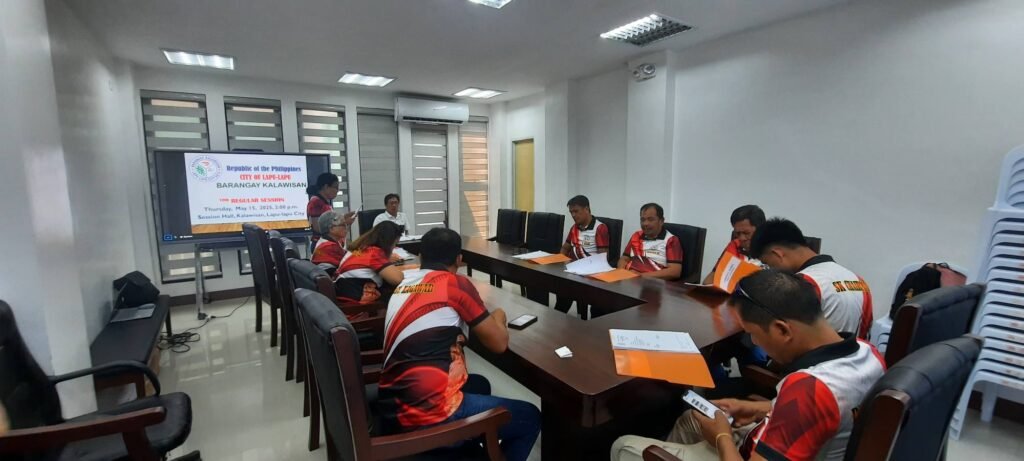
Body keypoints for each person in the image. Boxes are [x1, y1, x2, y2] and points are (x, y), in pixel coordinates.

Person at [611, 270, 885, 461]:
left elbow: (811, 405)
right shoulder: (868, 351)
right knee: (690, 419)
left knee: (623, 446)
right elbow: (831, 415)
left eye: (752, 333)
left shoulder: (808, 390)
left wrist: (721, 437)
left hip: (748, 451)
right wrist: (756, 408)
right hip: (778, 438)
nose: (753, 341)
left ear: (781, 330)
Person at [378, 228, 541, 461]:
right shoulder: (453, 284)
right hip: (427, 414)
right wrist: (499, 315)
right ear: (459, 259)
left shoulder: (405, 284)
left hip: (391, 404)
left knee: (480, 384)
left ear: (421, 256)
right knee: (529, 416)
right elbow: (499, 343)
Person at [749, 218, 873, 339]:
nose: (770, 269)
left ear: (777, 254)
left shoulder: (802, 283)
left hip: (819, 353)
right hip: (857, 351)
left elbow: (788, 338)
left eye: (767, 263)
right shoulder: (857, 280)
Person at [555, 195, 610, 316]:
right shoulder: (574, 228)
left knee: (568, 289)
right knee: (559, 285)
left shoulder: (600, 228)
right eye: (571, 212)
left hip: (590, 273)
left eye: (576, 211)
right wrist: (562, 260)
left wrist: (584, 270)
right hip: (573, 270)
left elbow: (602, 258)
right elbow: (565, 248)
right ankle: (558, 316)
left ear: (586, 209)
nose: (573, 215)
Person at [334, 221, 405, 304]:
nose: (394, 247)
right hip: (358, 304)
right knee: (405, 292)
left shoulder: (361, 248)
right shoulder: (373, 253)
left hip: (346, 294)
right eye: (395, 244)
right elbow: (398, 279)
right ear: (388, 242)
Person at [703, 205, 766, 284]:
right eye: (738, 233)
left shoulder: (772, 251)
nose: (741, 238)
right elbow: (709, 280)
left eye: (746, 233)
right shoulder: (735, 245)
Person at [618, 203, 683, 280]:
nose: (645, 223)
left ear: (661, 221)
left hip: (652, 282)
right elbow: (624, 258)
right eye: (642, 220)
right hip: (628, 279)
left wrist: (640, 276)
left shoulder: (671, 240)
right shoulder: (636, 235)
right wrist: (621, 272)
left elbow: (674, 271)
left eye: (650, 219)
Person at [306, 172, 354, 252]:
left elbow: (329, 221)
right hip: (322, 245)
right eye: (335, 187)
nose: (337, 191)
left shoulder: (324, 202)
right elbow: (318, 227)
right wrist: (344, 223)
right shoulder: (316, 202)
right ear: (326, 187)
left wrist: (343, 218)